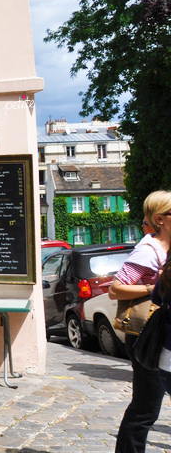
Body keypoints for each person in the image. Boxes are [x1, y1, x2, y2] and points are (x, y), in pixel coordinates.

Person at [111, 190, 171, 452]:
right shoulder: (148, 251)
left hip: (163, 333)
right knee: (146, 407)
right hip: (147, 334)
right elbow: (116, 288)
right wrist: (154, 287)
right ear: (161, 219)